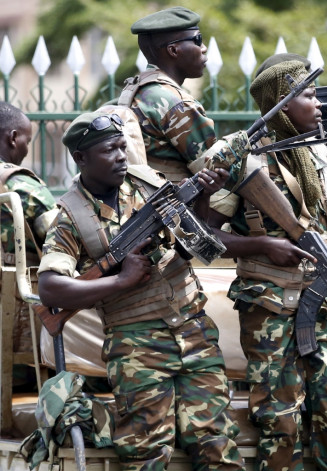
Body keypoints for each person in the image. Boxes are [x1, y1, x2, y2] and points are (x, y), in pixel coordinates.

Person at [36, 111, 244, 471]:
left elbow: (196, 240)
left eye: (122, 146)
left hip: (194, 331)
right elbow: (51, 289)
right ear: (81, 158)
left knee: (217, 445)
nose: (120, 156)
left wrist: (204, 196)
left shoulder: (149, 183)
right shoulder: (70, 216)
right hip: (137, 346)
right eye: (109, 150)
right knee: (147, 454)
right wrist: (120, 280)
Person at [204, 57, 327, 470]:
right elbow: (206, 235)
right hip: (269, 308)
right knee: (280, 423)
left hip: (325, 306)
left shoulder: (324, 154)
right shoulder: (244, 157)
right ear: (282, 103)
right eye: (309, 96)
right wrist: (261, 246)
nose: (320, 105)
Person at [121, 6, 216, 182]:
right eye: (198, 40)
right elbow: (216, 167)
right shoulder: (175, 102)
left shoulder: (135, 89)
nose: (204, 48)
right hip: (174, 204)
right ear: (173, 50)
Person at [0, 102, 58, 390]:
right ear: (12, 138)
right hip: (19, 325)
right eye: (27, 140)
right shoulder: (21, 185)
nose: (26, 149)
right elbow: (63, 237)